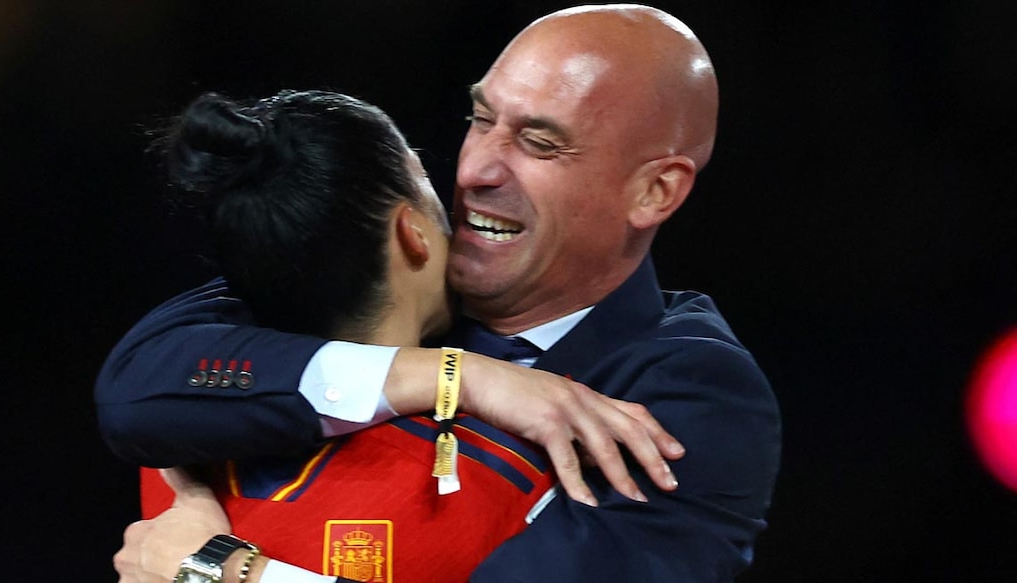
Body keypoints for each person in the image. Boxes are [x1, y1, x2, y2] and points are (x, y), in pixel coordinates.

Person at [98, 4, 781, 582]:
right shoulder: (392, 267)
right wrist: (456, 375)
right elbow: (136, 387)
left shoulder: (691, 395)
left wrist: (223, 570)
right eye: (481, 119)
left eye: (538, 143)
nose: (477, 168)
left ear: (652, 190)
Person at [130, 87, 599, 582]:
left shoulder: (172, 445)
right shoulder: (516, 470)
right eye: (424, 182)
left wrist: (209, 571)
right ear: (410, 233)